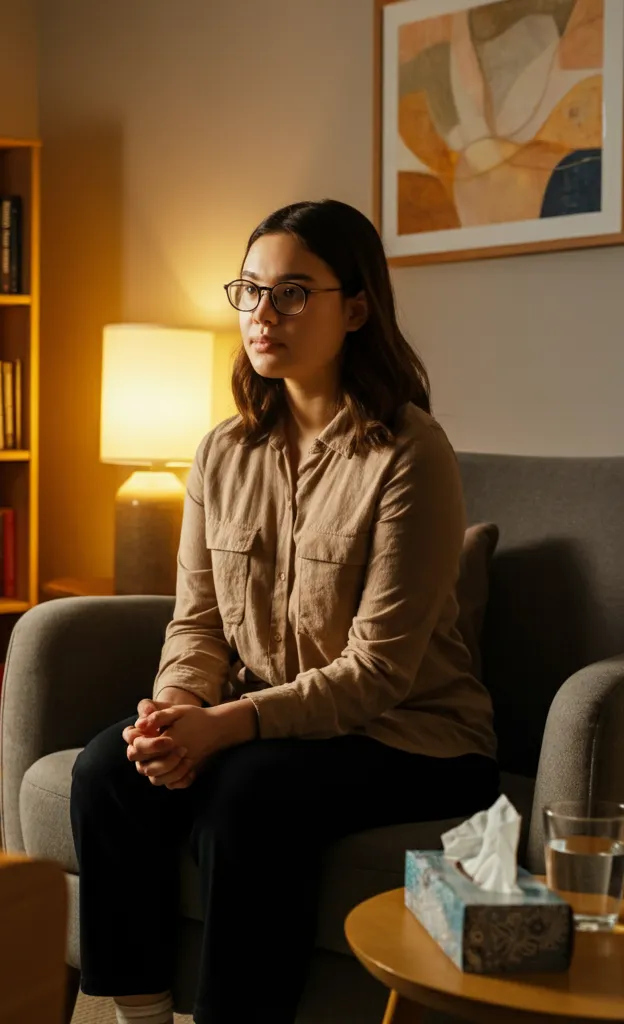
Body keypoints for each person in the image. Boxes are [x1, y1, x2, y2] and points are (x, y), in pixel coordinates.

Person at [70, 199, 500, 1024]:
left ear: (357, 309)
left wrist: (226, 726)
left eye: (294, 293)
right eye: (252, 291)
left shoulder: (411, 452)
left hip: (412, 738)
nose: (264, 315)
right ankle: (143, 1014)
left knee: (250, 797)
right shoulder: (222, 451)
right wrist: (178, 713)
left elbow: (378, 674)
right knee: (107, 771)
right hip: (271, 722)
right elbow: (195, 621)